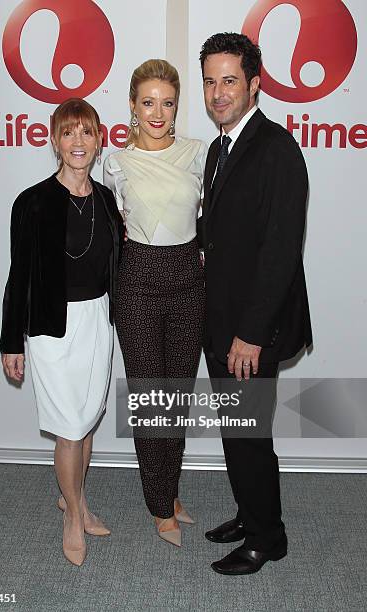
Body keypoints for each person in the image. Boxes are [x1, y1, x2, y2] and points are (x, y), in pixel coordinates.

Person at [198, 33, 312, 575]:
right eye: (210, 81)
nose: (218, 92)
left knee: (249, 433)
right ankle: (250, 512)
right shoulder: (221, 147)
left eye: (229, 81)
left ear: (254, 85)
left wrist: (251, 333)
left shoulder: (276, 149)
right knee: (236, 431)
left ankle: (267, 538)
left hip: (250, 330)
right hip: (221, 322)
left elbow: (281, 251)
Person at [0, 98, 124, 566]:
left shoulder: (108, 200)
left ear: (98, 140)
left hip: (97, 320)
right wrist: (11, 340)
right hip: (51, 327)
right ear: (54, 140)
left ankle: (77, 499)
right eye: (68, 133)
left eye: (86, 132)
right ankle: (73, 516)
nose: (78, 142)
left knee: (87, 418)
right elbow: (18, 277)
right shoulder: (32, 202)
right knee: (71, 427)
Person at [104, 59, 206, 547]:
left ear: (176, 105)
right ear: (132, 105)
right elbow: (102, 226)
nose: (158, 112)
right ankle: (160, 505)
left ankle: (170, 490)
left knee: (176, 398)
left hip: (189, 280)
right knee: (150, 402)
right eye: (148, 102)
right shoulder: (114, 163)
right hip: (138, 283)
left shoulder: (197, 153)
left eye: (167, 103)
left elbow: (215, 220)